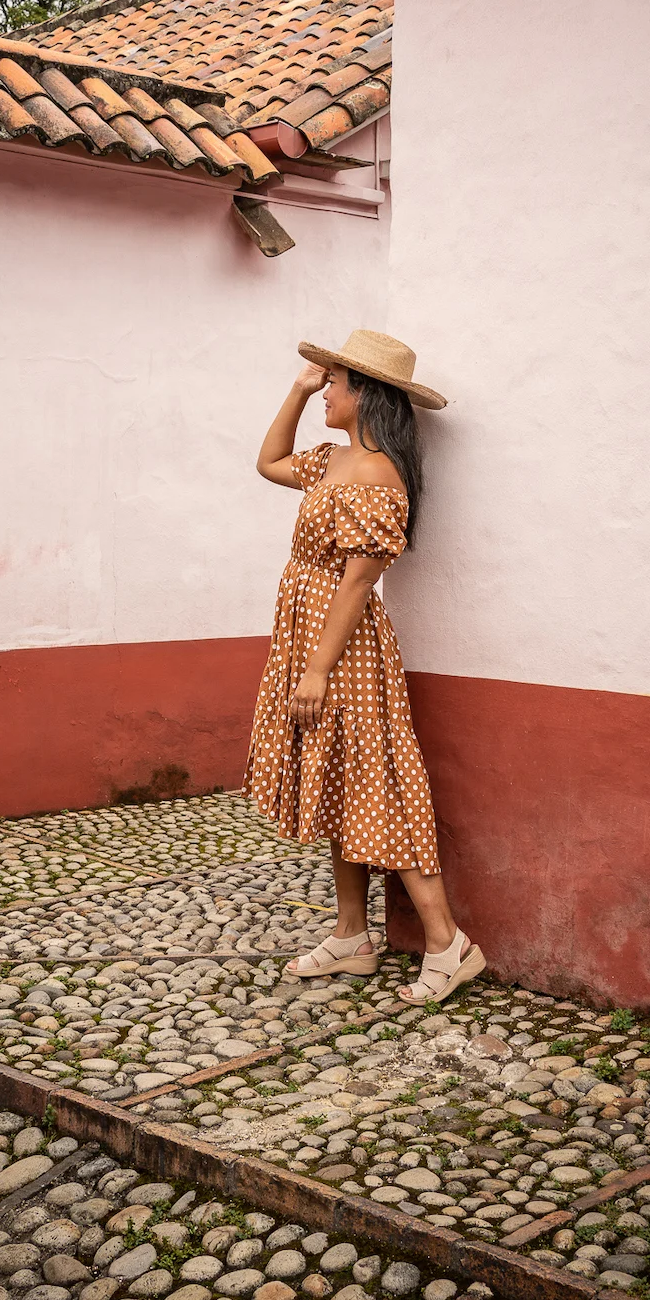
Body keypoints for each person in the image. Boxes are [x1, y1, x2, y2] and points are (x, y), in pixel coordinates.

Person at [244, 328, 484, 1006]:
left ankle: (447, 943)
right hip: (310, 639)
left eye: (336, 383)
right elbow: (267, 462)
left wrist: (316, 670)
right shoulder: (333, 461)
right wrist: (296, 389)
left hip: (341, 651)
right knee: (341, 784)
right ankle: (352, 936)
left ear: (366, 396)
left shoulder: (378, 477)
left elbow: (357, 584)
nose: (327, 390)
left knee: (377, 786)